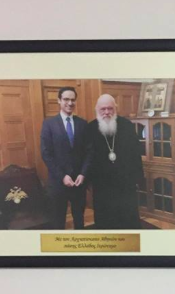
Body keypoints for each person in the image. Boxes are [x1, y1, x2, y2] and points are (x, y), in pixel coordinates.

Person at [87, 94, 144, 229]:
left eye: (110, 108)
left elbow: (136, 153)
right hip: (102, 185)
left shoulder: (127, 125)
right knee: (105, 220)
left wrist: (138, 177)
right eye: (103, 109)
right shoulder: (90, 129)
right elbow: (87, 157)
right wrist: (88, 180)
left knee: (128, 218)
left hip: (125, 183)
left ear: (115, 109)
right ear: (97, 110)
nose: (107, 112)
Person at [40, 86, 93, 229]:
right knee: (58, 222)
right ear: (59, 100)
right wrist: (63, 176)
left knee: (79, 221)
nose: (70, 103)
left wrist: (83, 174)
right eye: (66, 99)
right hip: (58, 182)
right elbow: (46, 153)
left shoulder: (82, 124)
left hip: (78, 182)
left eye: (73, 100)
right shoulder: (49, 124)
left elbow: (89, 152)